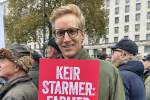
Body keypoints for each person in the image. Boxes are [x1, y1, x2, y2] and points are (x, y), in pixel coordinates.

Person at [50, 4, 125, 100]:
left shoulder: (109, 72)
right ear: (55, 38)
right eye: (60, 33)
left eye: (72, 31)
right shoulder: (48, 72)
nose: (66, 39)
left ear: (82, 35)